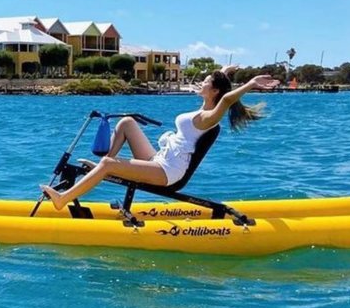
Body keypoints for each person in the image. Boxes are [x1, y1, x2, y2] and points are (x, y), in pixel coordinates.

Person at [41, 68, 278, 210]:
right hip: (160, 159)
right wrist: (225, 72)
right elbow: (220, 91)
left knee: (107, 163)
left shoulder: (209, 118)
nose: (202, 82)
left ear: (214, 91)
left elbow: (225, 100)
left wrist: (250, 84)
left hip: (168, 171)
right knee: (126, 123)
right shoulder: (204, 108)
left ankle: (63, 199)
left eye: (206, 82)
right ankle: (104, 169)